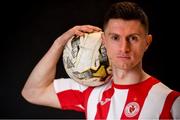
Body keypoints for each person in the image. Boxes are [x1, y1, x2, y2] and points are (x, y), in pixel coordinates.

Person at [21, 1, 180, 119]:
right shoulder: (89, 89)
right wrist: (60, 43)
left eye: (133, 38)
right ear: (103, 40)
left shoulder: (172, 103)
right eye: (115, 38)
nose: (124, 48)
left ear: (147, 42)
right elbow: (32, 92)